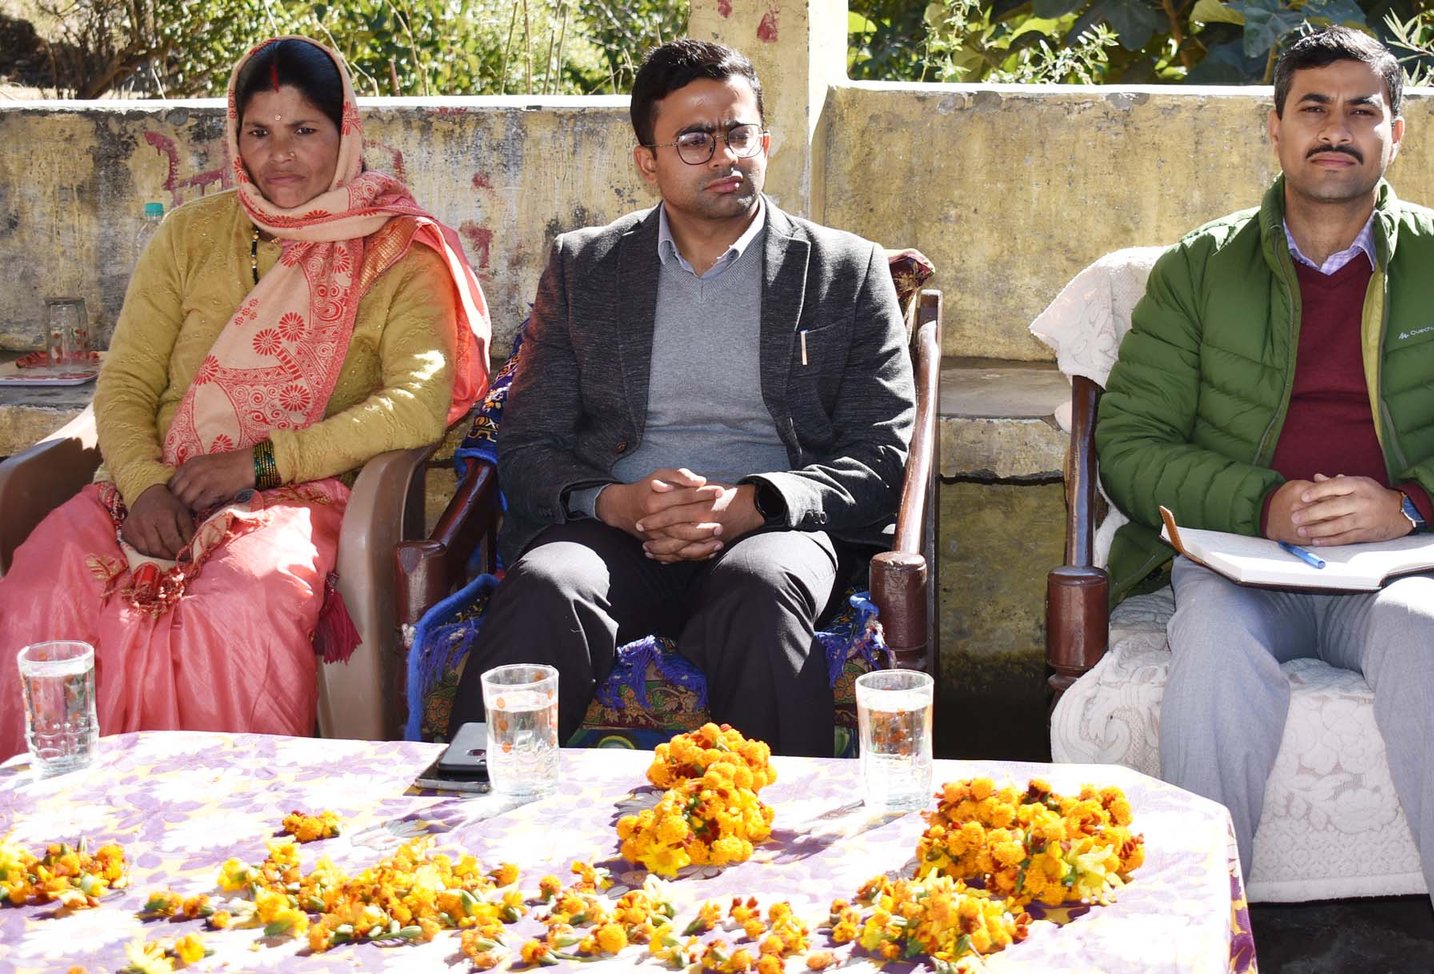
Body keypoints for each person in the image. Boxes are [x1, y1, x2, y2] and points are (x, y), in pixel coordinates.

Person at [1094, 27, 1434, 974]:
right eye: (1313, 107)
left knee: (1427, 634)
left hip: (1402, 562)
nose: (1336, 129)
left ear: (1395, 133)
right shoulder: (1200, 269)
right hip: (1241, 565)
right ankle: (1205, 938)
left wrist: (1412, 503)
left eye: (1362, 110)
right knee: (1213, 648)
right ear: (1274, 127)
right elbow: (1129, 444)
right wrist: (1262, 505)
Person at [0, 36, 491, 757]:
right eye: (258, 133)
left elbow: (416, 404)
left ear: (345, 131)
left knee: (231, 611)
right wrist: (145, 488)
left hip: (301, 495)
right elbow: (127, 382)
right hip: (155, 486)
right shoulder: (191, 235)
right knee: (43, 584)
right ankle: (53, 810)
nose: (279, 156)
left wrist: (258, 463)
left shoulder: (396, 250)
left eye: (304, 130)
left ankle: (219, 811)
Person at [448, 39, 914, 757]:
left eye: (740, 134)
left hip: (773, 532)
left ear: (765, 141)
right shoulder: (586, 268)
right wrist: (617, 504)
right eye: (696, 140)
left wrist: (754, 504)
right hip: (617, 531)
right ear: (648, 161)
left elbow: (882, 451)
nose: (726, 156)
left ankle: (773, 816)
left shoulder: (843, 271)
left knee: (761, 591)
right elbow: (530, 443)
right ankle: (476, 794)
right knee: (549, 582)